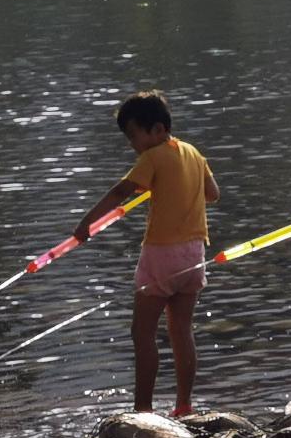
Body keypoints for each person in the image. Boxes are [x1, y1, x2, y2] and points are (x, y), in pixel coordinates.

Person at [73, 90, 220, 417]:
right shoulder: (194, 153)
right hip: (194, 255)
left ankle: (143, 409)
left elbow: (122, 191)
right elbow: (213, 194)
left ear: (156, 130)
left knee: (142, 333)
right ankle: (184, 406)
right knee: (182, 330)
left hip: (161, 256)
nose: (132, 144)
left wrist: (87, 222)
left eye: (133, 135)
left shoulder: (152, 157)